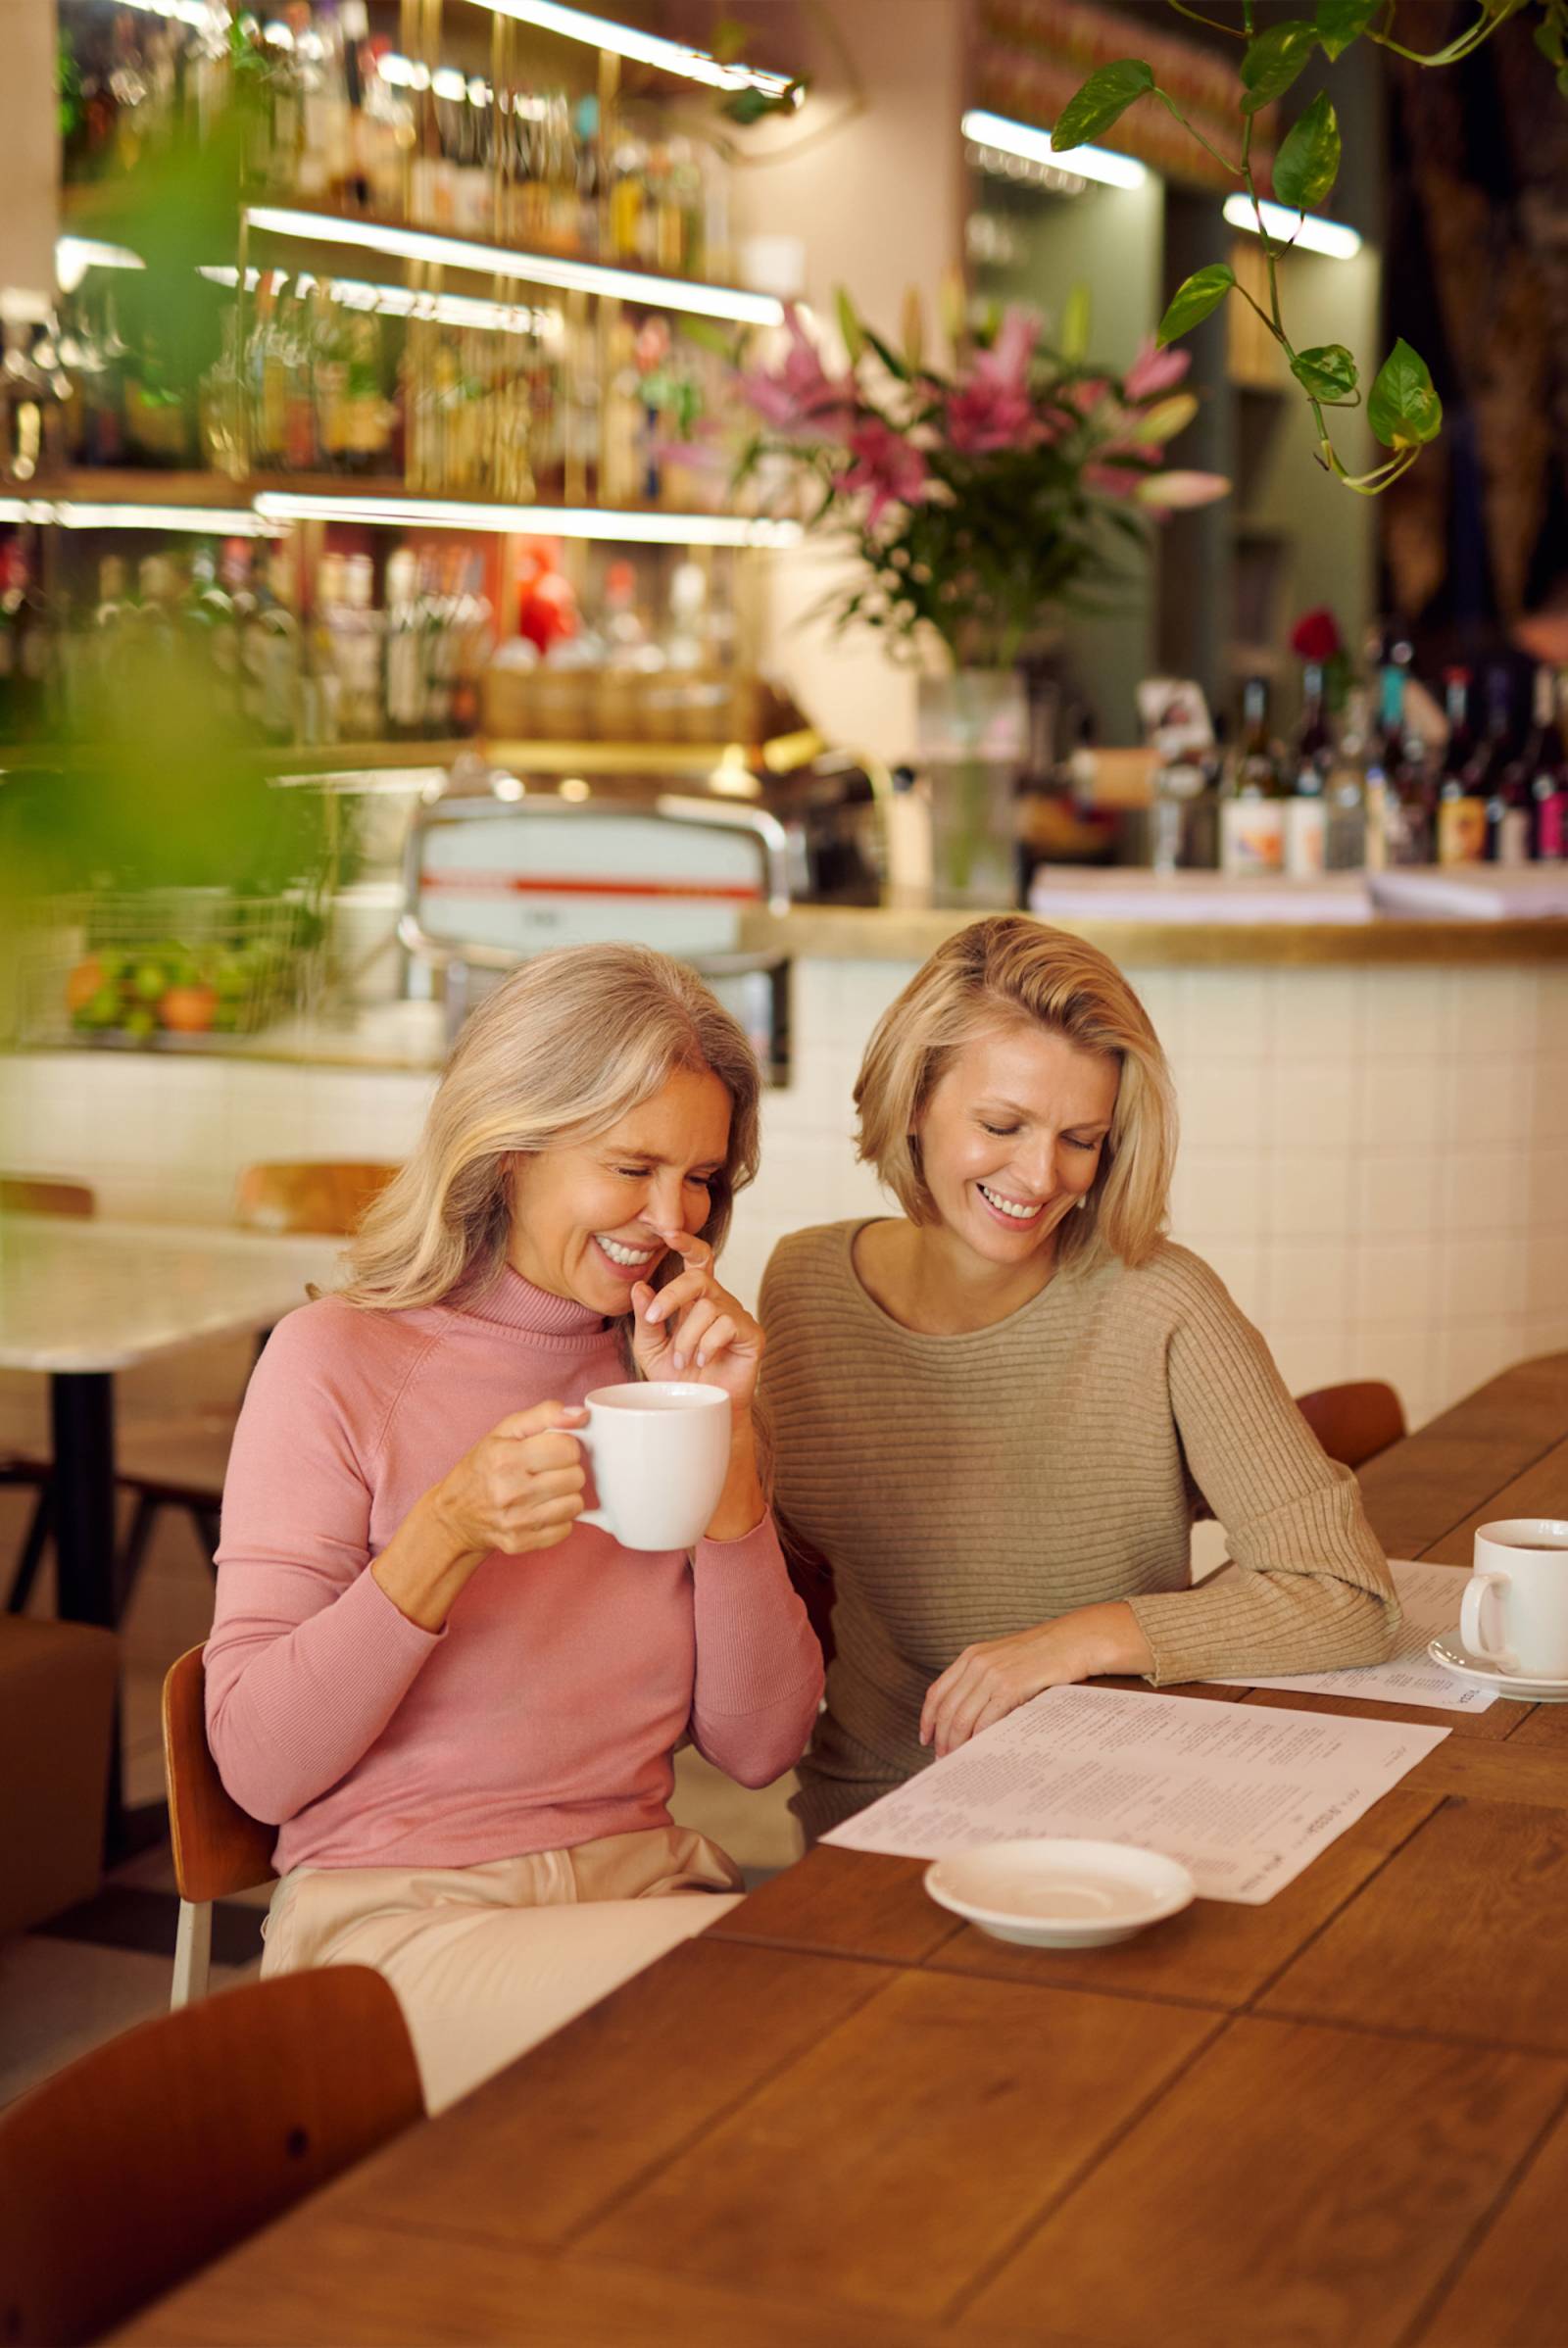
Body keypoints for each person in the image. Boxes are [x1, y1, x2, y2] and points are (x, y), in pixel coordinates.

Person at [206, 943, 822, 2111]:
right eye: (630, 1166)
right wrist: (445, 1533)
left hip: (643, 1902)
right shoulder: (337, 1359)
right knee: (787, 2012)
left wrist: (729, 1450)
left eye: (698, 1176)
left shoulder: (661, 1383)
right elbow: (255, 1764)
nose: (671, 1217)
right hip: (399, 1930)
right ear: (511, 1146)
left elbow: (758, 1745)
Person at [760, 914, 1398, 1843]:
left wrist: (1075, 1641)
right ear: (911, 1102)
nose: (1040, 1174)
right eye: (1001, 1124)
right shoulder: (800, 1286)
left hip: (1119, 1812)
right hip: (876, 1816)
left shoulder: (1160, 1301)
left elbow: (1351, 1597)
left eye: (1081, 1138)